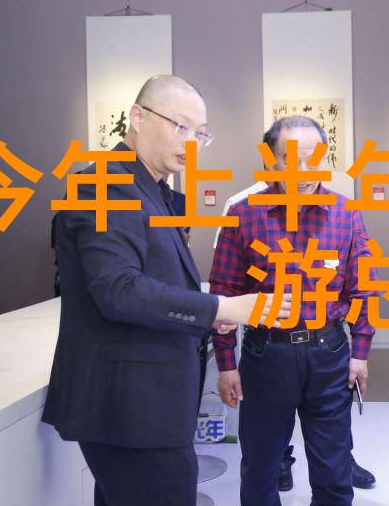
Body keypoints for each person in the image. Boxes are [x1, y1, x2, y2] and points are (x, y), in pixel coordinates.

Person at [41, 75, 290, 506]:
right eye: (181, 126)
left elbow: (154, 280)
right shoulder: (104, 183)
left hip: (146, 405)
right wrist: (223, 307)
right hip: (130, 405)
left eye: (200, 134)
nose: (190, 142)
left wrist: (210, 310)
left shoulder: (152, 189)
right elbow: (118, 290)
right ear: (137, 117)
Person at [211, 115, 377, 506]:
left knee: (334, 472)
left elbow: (363, 288)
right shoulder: (244, 214)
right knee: (260, 471)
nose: (303, 170)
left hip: (329, 353)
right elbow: (224, 293)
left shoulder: (345, 212)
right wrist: (226, 364)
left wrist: (360, 354)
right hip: (266, 355)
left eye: (312, 158)